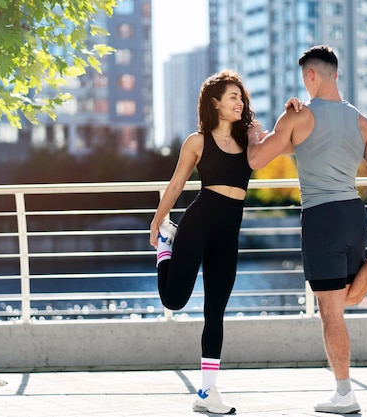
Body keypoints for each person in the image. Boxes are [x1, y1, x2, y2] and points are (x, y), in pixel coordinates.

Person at [247, 45, 367, 414]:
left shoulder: (296, 117)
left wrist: (256, 133)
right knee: (349, 298)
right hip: (355, 214)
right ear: (335, 74)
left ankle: (344, 394)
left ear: (309, 76)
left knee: (331, 312)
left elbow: (257, 160)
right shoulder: (360, 121)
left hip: (321, 218)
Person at [149, 69, 255, 415]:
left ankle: (207, 392)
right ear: (216, 103)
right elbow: (177, 183)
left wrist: (294, 108)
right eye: (233, 97)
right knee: (175, 299)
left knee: (216, 310)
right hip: (199, 222)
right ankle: (167, 247)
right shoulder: (197, 142)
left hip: (229, 231)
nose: (240, 102)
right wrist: (156, 222)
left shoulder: (248, 140)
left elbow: (286, 140)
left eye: (241, 96)